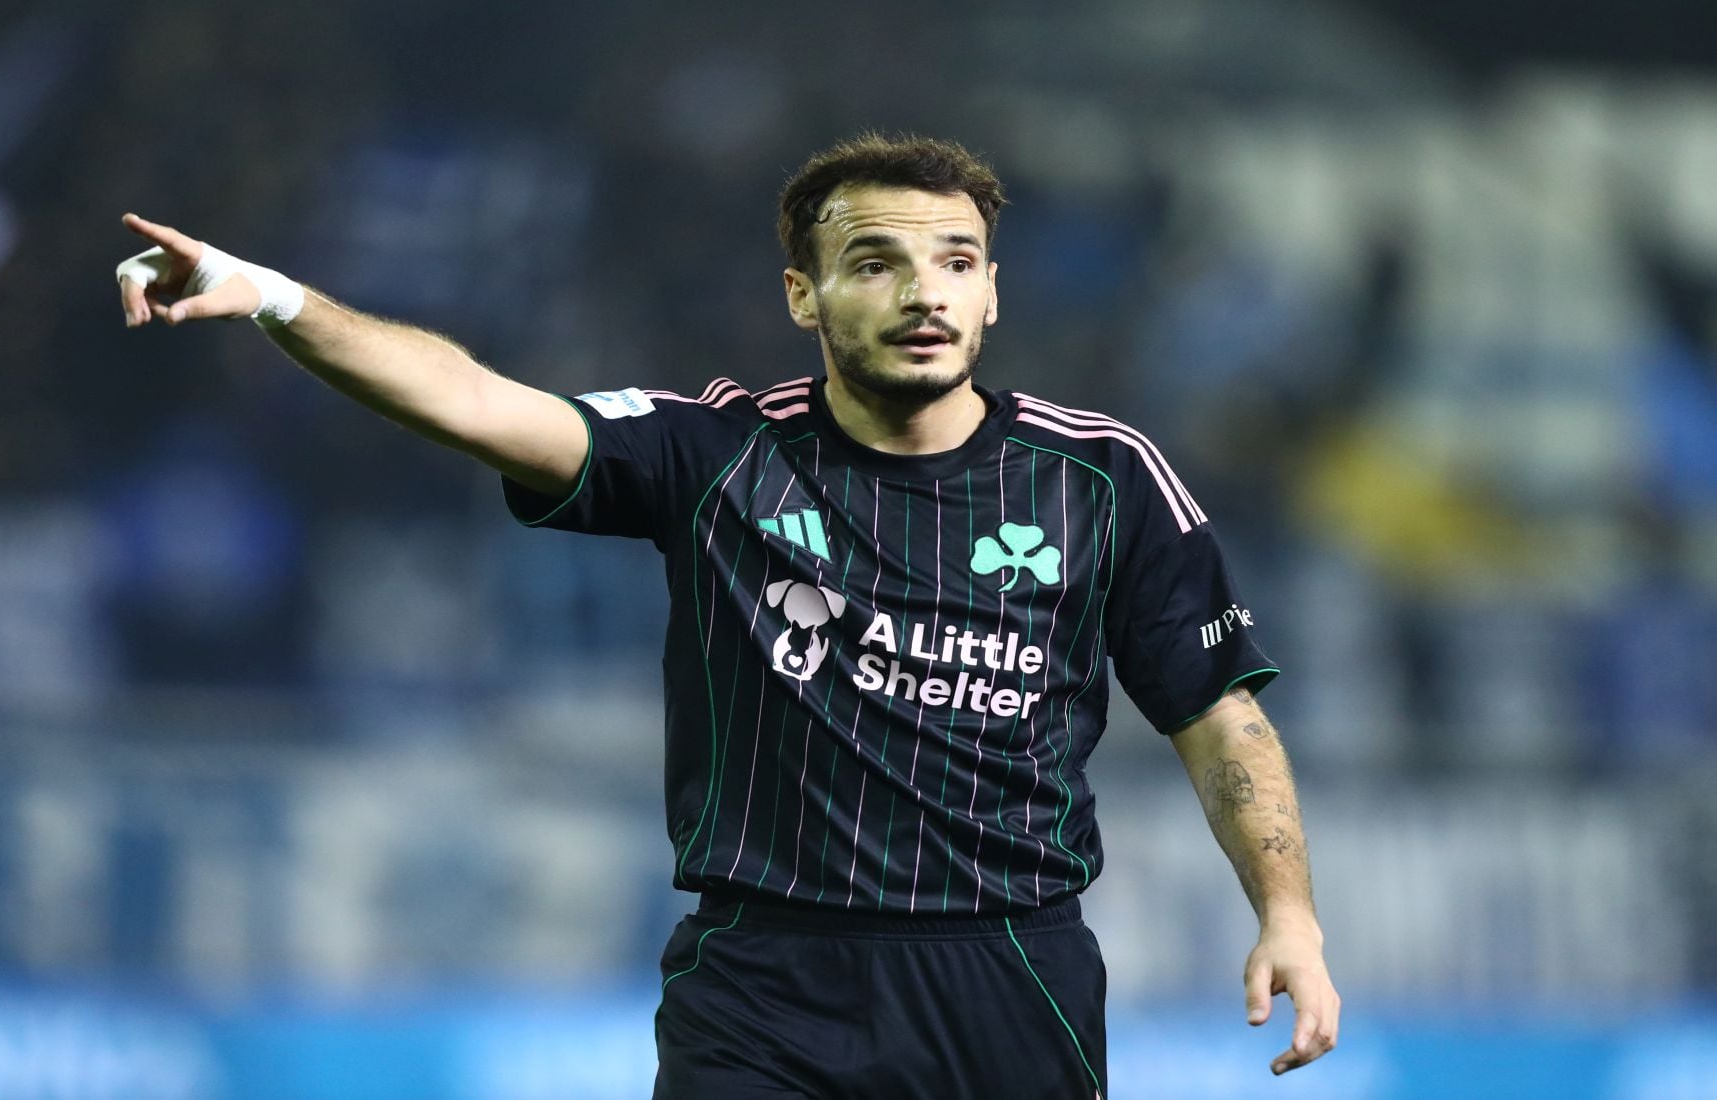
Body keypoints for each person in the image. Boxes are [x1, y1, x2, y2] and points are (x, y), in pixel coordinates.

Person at [117, 132, 1339, 1099]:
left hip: (1008, 969)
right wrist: (267, 294)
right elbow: (476, 401)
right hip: (763, 984)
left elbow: (1219, 717)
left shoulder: (1104, 477)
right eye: (876, 261)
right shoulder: (715, 451)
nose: (924, 292)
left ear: (992, 294)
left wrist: (1287, 914)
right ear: (804, 294)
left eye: (957, 261)